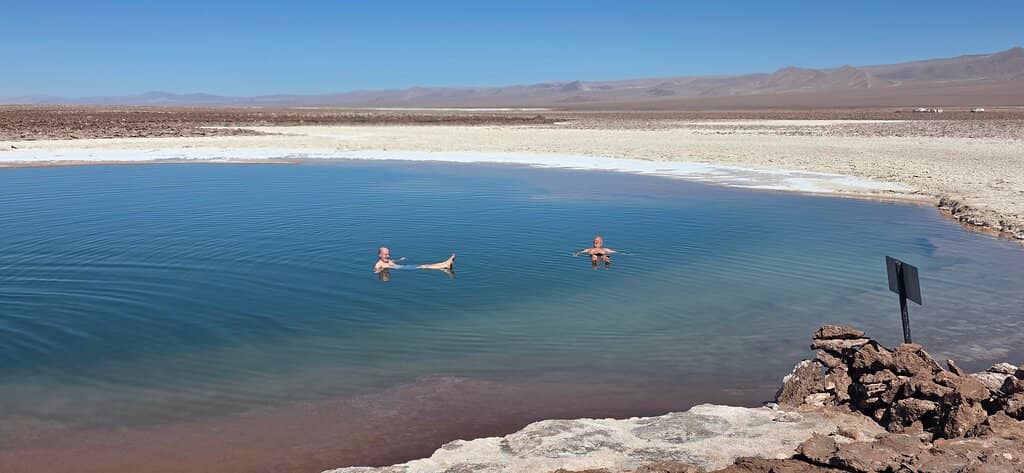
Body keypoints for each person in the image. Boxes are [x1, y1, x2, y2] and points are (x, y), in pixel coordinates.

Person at [374, 247, 455, 273]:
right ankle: (445, 265)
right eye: (385, 254)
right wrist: (382, 269)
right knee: (424, 266)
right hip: (403, 268)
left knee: (426, 265)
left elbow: (393, 261)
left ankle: (445, 265)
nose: (388, 256)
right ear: (380, 255)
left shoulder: (388, 260)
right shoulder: (379, 264)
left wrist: (400, 259)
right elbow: (375, 271)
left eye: (388, 254)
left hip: (404, 266)